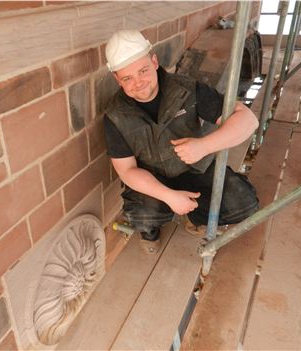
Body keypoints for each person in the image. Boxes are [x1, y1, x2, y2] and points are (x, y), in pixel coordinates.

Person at [103, 30, 259, 254]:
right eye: (127, 78)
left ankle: (194, 216)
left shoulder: (188, 88)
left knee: (244, 203)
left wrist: (204, 146)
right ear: (117, 79)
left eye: (143, 70)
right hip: (153, 179)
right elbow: (127, 171)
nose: (138, 83)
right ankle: (152, 228)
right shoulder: (115, 115)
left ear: (154, 62)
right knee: (142, 216)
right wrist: (168, 196)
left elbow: (247, 119)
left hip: (194, 169)